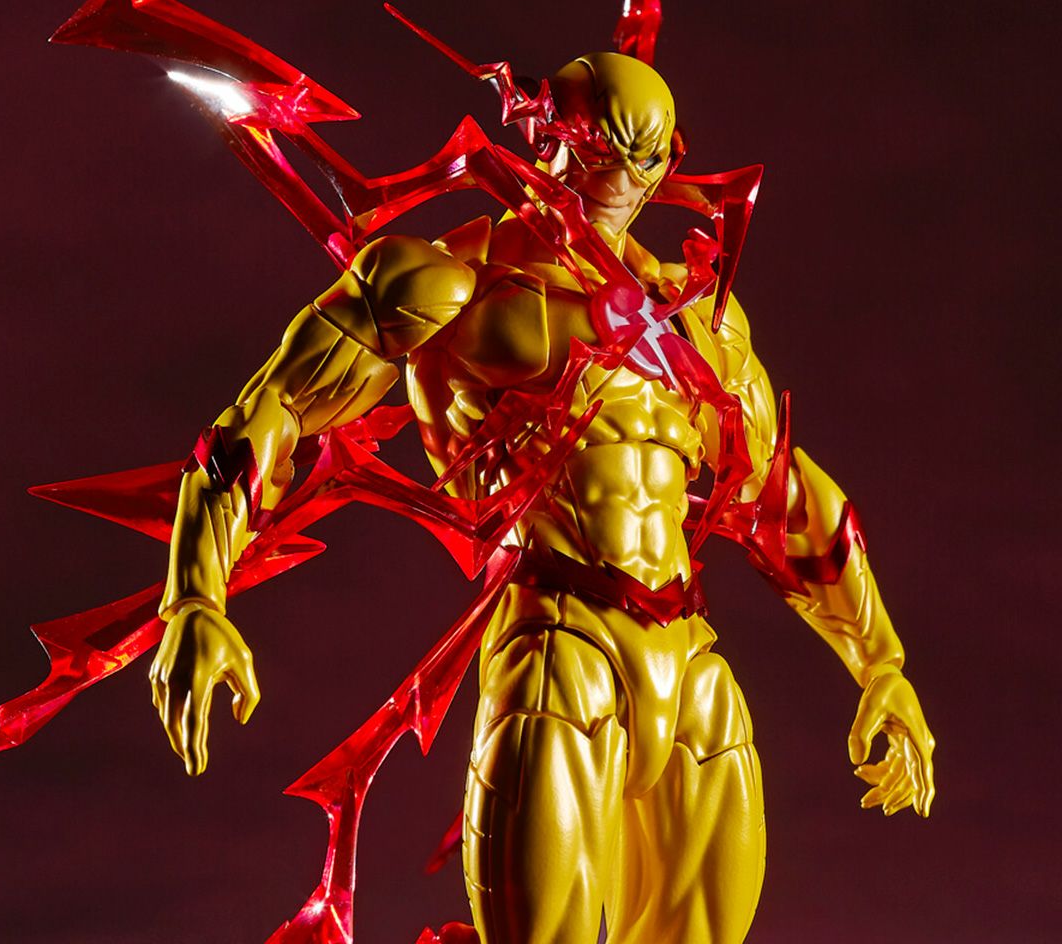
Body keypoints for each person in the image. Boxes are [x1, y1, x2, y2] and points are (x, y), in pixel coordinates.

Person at [148, 50, 935, 944]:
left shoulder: (696, 319)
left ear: (666, 164)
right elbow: (265, 413)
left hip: (690, 661)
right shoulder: (449, 283)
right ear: (543, 134)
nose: (614, 178)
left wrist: (882, 664)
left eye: (640, 158)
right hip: (560, 638)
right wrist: (193, 596)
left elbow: (782, 491)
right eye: (594, 148)